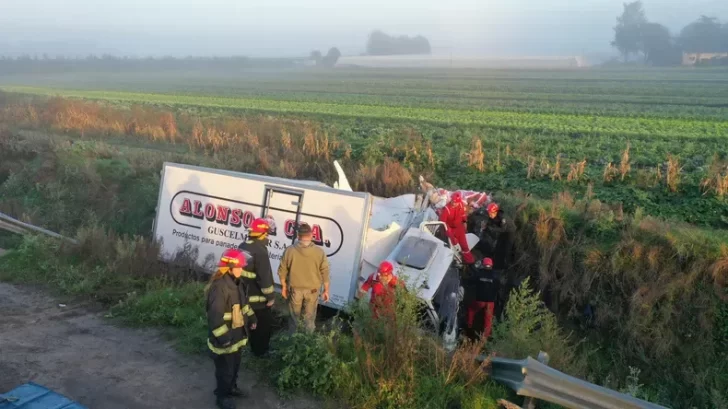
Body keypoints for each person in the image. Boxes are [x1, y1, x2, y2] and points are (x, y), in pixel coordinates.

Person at [205, 248, 257, 409]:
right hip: (225, 339)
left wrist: (252, 318)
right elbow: (215, 317)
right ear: (229, 267)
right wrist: (225, 338)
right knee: (225, 371)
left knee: (234, 366)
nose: (242, 270)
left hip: (237, 335)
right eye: (239, 267)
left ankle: (231, 388)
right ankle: (222, 396)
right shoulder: (220, 287)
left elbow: (244, 305)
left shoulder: (237, 283)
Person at [278, 222, 330, 333]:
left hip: (295, 291)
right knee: (309, 320)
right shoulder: (319, 252)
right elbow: (325, 272)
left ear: (298, 236)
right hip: (312, 291)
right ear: (311, 236)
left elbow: (282, 270)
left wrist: (283, 287)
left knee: (293, 320)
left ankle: (293, 344)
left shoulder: (289, 250)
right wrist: (326, 290)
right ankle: (307, 344)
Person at [238, 218, 276, 357]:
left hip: (244, 293)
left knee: (250, 323)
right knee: (263, 326)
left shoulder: (243, 245)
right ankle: (261, 352)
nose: (268, 237)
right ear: (262, 234)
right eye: (267, 234)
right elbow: (264, 277)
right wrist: (270, 297)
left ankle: (251, 347)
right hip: (258, 298)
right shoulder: (260, 251)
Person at [465, 257, 499, 339]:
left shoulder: (479, 274)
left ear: (483, 265)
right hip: (490, 302)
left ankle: (468, 326)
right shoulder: (495, 276)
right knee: (488, 319)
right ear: (491, 265)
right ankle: (485, 337)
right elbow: (498, 287)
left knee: (471, 310)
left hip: (480, 301)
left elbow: (469, 282)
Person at [439, 191, 475, 264]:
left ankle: (470, 262)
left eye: (456, 202)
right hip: (450, 229)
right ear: (451, 200)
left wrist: (465, 222)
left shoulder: (461, 205)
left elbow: (463, 215)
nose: (454, 203)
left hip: (459, 228)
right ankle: (455, 260)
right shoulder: (446, 209)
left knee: (465, 246)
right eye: (453, 201)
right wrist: (450, 235)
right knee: (454, 245)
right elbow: (443, 223)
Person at [480, 202, 516, 270]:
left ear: (495, 212)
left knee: (507, 249)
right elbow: (489, 222)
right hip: (502, 232)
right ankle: (496, 263)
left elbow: (502, 229)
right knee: (498, 247)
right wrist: (485, 226)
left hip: (510, 232)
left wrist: (491, 228)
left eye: (491, 213)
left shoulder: (502, 217)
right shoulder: (491, 216)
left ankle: (506, 267)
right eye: (489, 213)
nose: (490, 215)